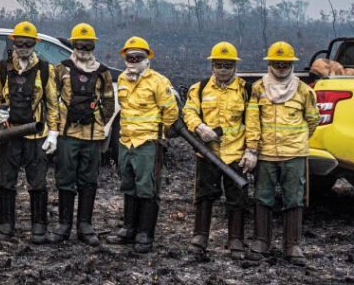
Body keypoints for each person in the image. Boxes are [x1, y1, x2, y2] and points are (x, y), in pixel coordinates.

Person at [244, 41, 319, 266]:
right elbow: (252, 121)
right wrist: (252, 149)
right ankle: (261, 242)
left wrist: (297, 142)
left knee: (293, 199)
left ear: (291, 64)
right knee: (262, 197)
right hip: (266, 155)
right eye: (276, 63)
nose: (281, 67)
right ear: (270, 64)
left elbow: (312, 120)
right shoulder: (258, 89)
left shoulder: (304, 91)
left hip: (294, 155)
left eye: (285, 63)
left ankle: (292, 246)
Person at [105, 36, 178, 254]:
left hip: (147, 143)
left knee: (147, 188)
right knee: (128, 185)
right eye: (130, 57)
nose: (134, 61)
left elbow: (171, 113)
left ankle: (145, 234)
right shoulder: (123, 80)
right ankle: (129, 229)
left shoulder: (159, 82)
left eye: (138, 57)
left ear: (147, 59)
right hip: (126, 142)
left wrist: (159, 138)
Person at [0, 21, 59, 244]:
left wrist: (53, 133)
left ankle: (39, 226)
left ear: (34, 45)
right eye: (19, 43)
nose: (23, 47)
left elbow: (52, 104)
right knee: (6, 181)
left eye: (28, 44)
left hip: (35, 136)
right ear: (14, 44)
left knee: (37, 183)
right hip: (10, 134)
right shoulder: (2, 68)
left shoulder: (45, 70)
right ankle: (6, 225)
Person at [45, 23, 115, 246]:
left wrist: (98, 120)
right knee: (65, 180)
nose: (84, 49)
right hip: (67, 136)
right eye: (80, 44)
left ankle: (85, 225)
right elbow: (51, 101)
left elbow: (109, 103)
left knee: (89, 181)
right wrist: (54, 130)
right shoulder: (61, 69)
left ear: (93, 46)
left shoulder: (102, 72)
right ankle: (64, 225)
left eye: (88, 45)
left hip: (92, 138)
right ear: (73, 45)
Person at [182, 42, 250, 259]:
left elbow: (253, 122)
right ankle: (200, 238)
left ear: (235, 66)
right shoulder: (200, 88)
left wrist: (251, 150)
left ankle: (236, 239)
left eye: (228, 65)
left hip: (235, 154)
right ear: (212, 65)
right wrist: (199, 127)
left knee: (237, 198)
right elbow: (189, 112)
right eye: (219, 65)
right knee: (204, 195)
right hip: (208, 154)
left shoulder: (246, 90)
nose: (223, 69)